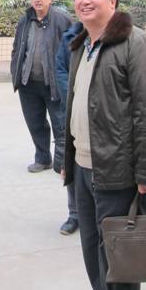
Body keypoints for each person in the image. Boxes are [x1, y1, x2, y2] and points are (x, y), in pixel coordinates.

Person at [63, 0, 146, 290]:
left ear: (113, 1)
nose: (84, 0)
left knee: (119, 260)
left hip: (118, 173)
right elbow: (74, 107)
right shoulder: (81, 45)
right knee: (92, 250)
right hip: (83, 168)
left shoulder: (136, 42)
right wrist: (66, 160)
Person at [10, 0, 72, 230]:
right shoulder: (25, 19)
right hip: (28, 82)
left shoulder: (62, 19)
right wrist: (15, 71)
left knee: (60, 125)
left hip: (52, 84)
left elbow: (72, 48)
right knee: (35, 124)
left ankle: (61, 163)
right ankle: (42, 158)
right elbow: (18, 47)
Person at [54, 20, 83, 235]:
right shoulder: (69, 37)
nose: (85, 4)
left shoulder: (123, 38)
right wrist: (74, 98)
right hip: (72, 112)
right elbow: (61, 70)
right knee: (71, 163)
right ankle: (74, 214)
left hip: (105, 116)